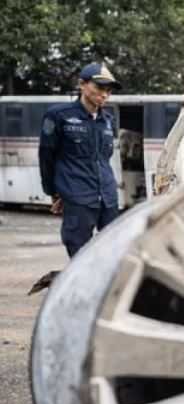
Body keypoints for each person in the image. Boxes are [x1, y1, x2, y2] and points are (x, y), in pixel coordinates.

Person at [39, 63, 122, 258]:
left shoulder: (108, 120)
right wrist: (52, 192)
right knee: (79, 255)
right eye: (99, 87)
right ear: (82, 85)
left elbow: (104, 158)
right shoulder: (58, 116)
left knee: (115, 251)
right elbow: (46, 156)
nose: (104, 94)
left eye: (108, 90)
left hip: (108, 198)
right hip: (78, 197)